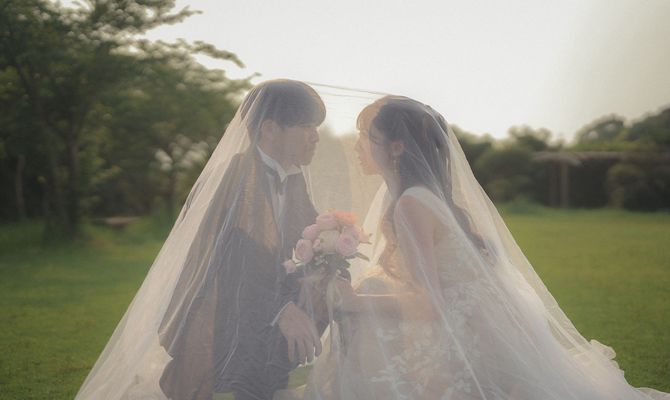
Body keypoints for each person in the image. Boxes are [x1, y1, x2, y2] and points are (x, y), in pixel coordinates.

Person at [276, 96, 670, 400]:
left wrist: (353, 301)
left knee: (368, 298)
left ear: (396, 148)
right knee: (374, 287)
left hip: (463, 332)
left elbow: (429, 303)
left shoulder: (412, 204)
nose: (358, 146)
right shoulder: (418, 195)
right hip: (474, 319)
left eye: (367, 137)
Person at [75, 79, 329, 400]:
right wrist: (282, 310)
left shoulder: (293, 180)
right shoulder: (232, 179)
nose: (315, 136)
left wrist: (329, 273)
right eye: (306, 126)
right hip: (219, 316)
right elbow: (228, 263)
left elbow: (306, 245)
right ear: (269, 129)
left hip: (264, 330)